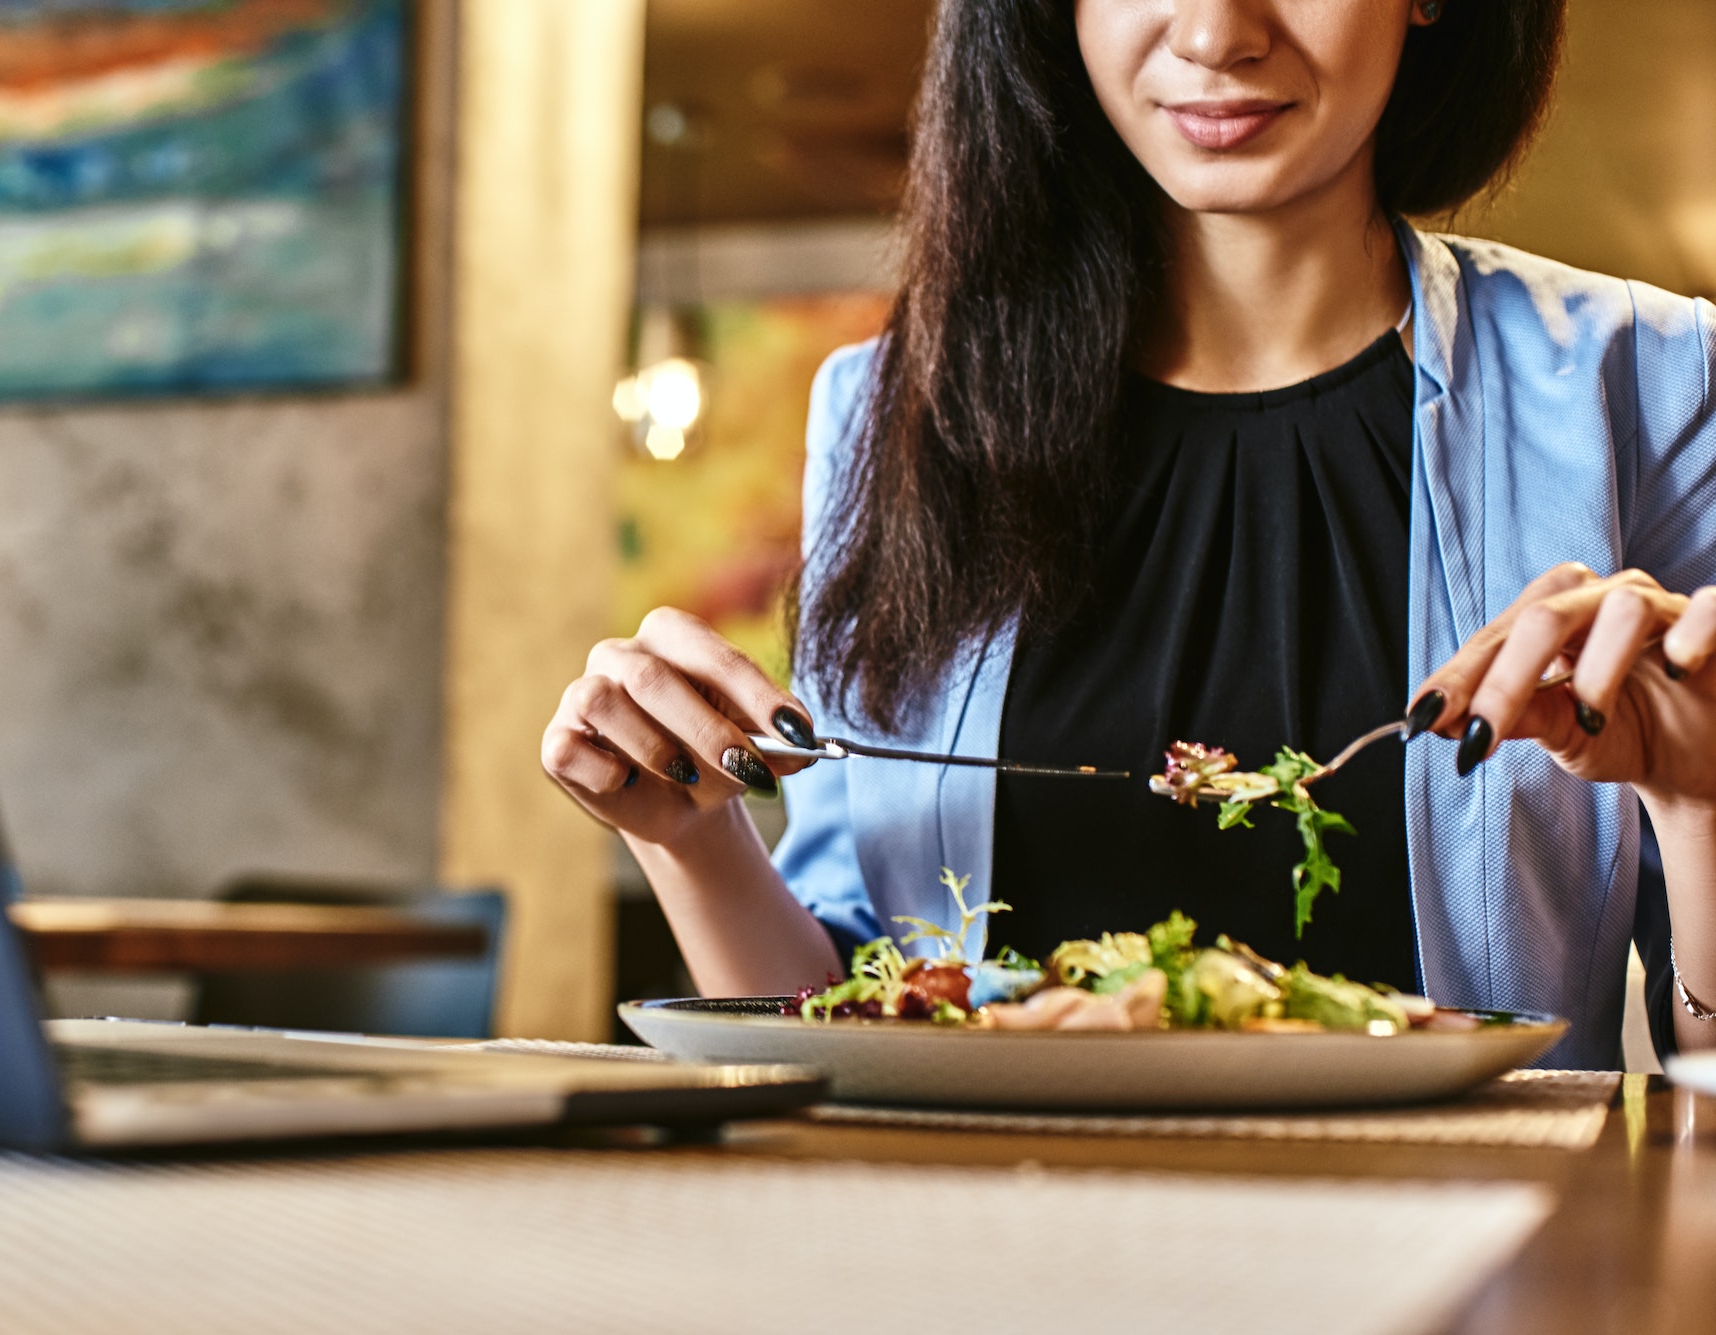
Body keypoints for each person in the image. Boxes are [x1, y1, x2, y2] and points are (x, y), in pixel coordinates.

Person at [542, 0, 1716, 1069]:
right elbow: (849, 1019)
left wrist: (1706, 799)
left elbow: (1701, 1064)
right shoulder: (892, 411)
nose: (1213, 33)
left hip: (1468, 1281)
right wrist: (689, 843)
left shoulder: (1645, 388)